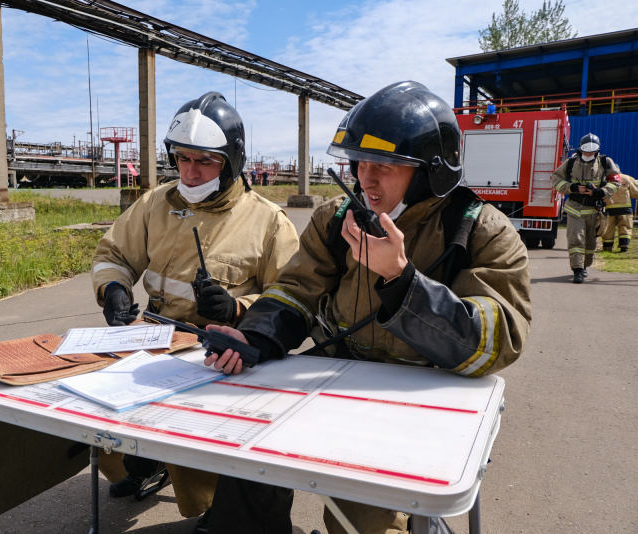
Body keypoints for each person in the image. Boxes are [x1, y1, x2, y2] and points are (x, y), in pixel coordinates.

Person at [198, 81, 532, 534]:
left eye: (386, 166)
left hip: (422, 394)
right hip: (339, 373)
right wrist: (256, 335)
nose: (365, 179)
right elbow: (296, 289)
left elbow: (496, 341)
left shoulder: (480, 232)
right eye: (359, 163)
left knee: (365, 515)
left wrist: (403, 282)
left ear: (431, 171)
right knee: (245, 460)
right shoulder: (338, 218)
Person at [90, 91, 299, 530]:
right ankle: (140, 460)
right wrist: (113, 287)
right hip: (153, 334)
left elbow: (295, 296)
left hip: (219, 350)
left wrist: (238, 309)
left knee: (194, 432)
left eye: (205, 161)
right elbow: (115, 253)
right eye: (182, 158)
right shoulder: (155, 203)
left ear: (232, 161)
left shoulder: (267, 221)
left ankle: (215, 500)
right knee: (93, 405)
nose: (190, 171)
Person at [551, 133, 622, 283]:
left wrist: (600, 192)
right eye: (585, 152)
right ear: (579, 150)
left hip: (594, 210)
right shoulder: (571, 162)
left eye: (591, 152)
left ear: (596, 151)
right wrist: (572, 187)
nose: (588, 154)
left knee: (590, 243)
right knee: (576, 239)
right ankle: (577, 269)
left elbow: (615, 181)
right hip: (574, 209)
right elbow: (557, 178)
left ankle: (584, 267)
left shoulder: (605, 162)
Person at [602, 173, 638, 252]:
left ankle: (607, 247)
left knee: (608, 229)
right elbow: (636, 192)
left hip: (609, 208)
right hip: (625, 208)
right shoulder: (626, 178)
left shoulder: (604, 178)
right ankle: (624, 246)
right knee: (625, 226)